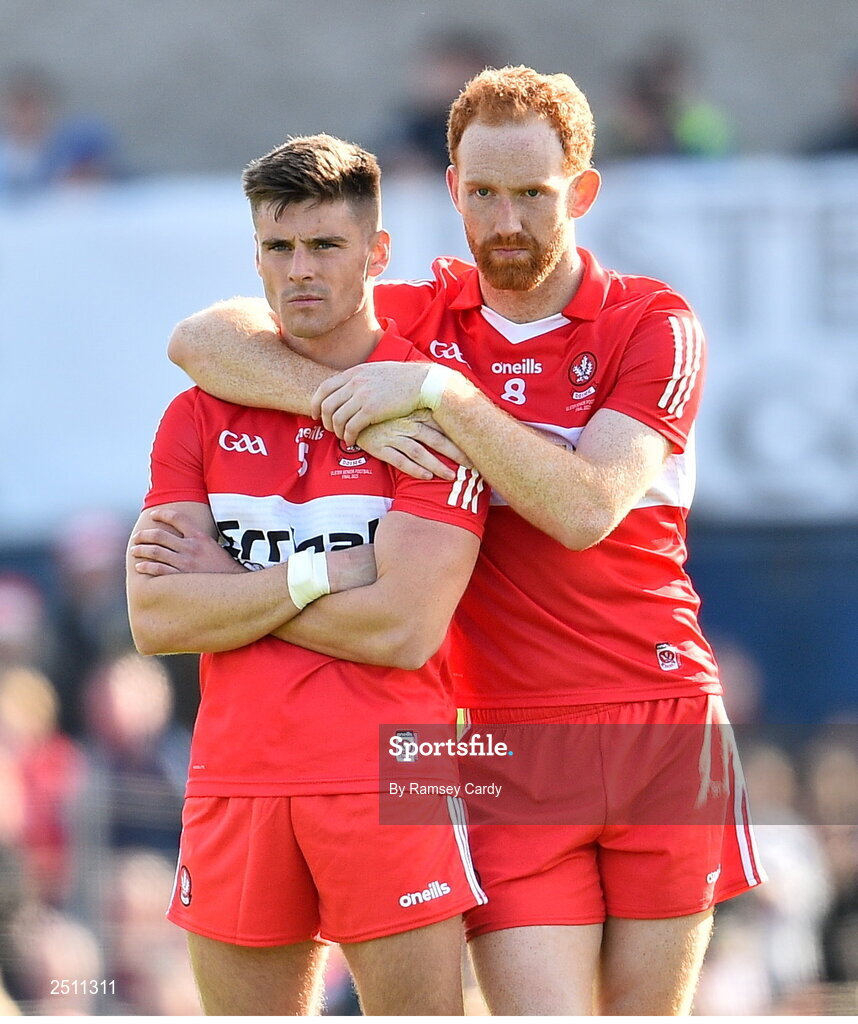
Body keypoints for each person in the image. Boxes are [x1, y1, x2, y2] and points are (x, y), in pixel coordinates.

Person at [167, 67, 765, 1015]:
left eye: (532, 192)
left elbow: (584, 509)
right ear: (452, 190)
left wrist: (444, 395)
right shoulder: (416, 312)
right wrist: (342, 403)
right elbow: (204, 340)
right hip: (491, 741)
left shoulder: (651, 322)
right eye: (482, 193)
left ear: (582, 190)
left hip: (660, 718)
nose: (506, 219)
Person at [126, 134, 489, 1016]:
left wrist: (231, 586)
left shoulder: (435, 403)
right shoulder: (199, 411)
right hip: (233, 779)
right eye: (278, 247)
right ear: (254, 253)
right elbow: (158, 619)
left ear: (378, 252)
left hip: (392, 774)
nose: (299, 270)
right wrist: (322, 573)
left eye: (325, 245)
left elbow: (402, 628)